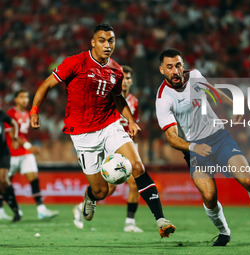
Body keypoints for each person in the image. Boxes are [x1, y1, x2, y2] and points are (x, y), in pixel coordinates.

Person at [30, 24, 175, 237]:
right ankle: (90, 197)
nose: (107, 45)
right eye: (102, 40)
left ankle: (161, 220)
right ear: (93, 42)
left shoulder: (116, 70)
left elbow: (118, 98)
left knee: (137, 166)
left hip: (109, 125)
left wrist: (131, 121)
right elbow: (46, 85)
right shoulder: (75, 62)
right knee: (101, 191)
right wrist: (34, 110)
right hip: (81, 134)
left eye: (111, 41)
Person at [155, 48, 250, 246]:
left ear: (183, 66)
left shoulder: (196, 76)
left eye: (178, 65)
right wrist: (194, 147)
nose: (175, 71)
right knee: (209, 196)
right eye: (170, 67)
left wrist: (232, 104)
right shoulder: (163, 99)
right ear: (162, 70)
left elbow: (212, 89)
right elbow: (172, 139)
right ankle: (224, 232)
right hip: (194, 149)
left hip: (218, 137)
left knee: (248, 180)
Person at [73, 65, 143, 232]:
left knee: (135, 183)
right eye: (122, 78)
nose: (125, 81)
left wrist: (136, 147)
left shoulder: (133, 102)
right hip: (108, 144)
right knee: (107, 189)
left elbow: (134, 124)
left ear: (131, 81)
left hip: (125, 144)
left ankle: (130, 223)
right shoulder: (107, 97)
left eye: (127, 78)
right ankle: (82, 205)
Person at [1, 90, 59, 220]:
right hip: (11, 153)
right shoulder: (10, 114)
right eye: (21, 97)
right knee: (5, 183)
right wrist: (28, 146)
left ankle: (41, 209)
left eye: (26, 97)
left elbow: (24, 134)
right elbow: (12, 134)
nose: (25, 100)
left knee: (34, 178)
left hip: (25, 154)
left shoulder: (27, 114)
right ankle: (0, 210)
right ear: (15, 99)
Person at [0, 109, 21, 222]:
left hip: (2, 152)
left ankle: (16, 209)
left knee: (3, 180)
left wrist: (15, 137)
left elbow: (14, 123)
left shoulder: (1, 113)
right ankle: (15, 209)